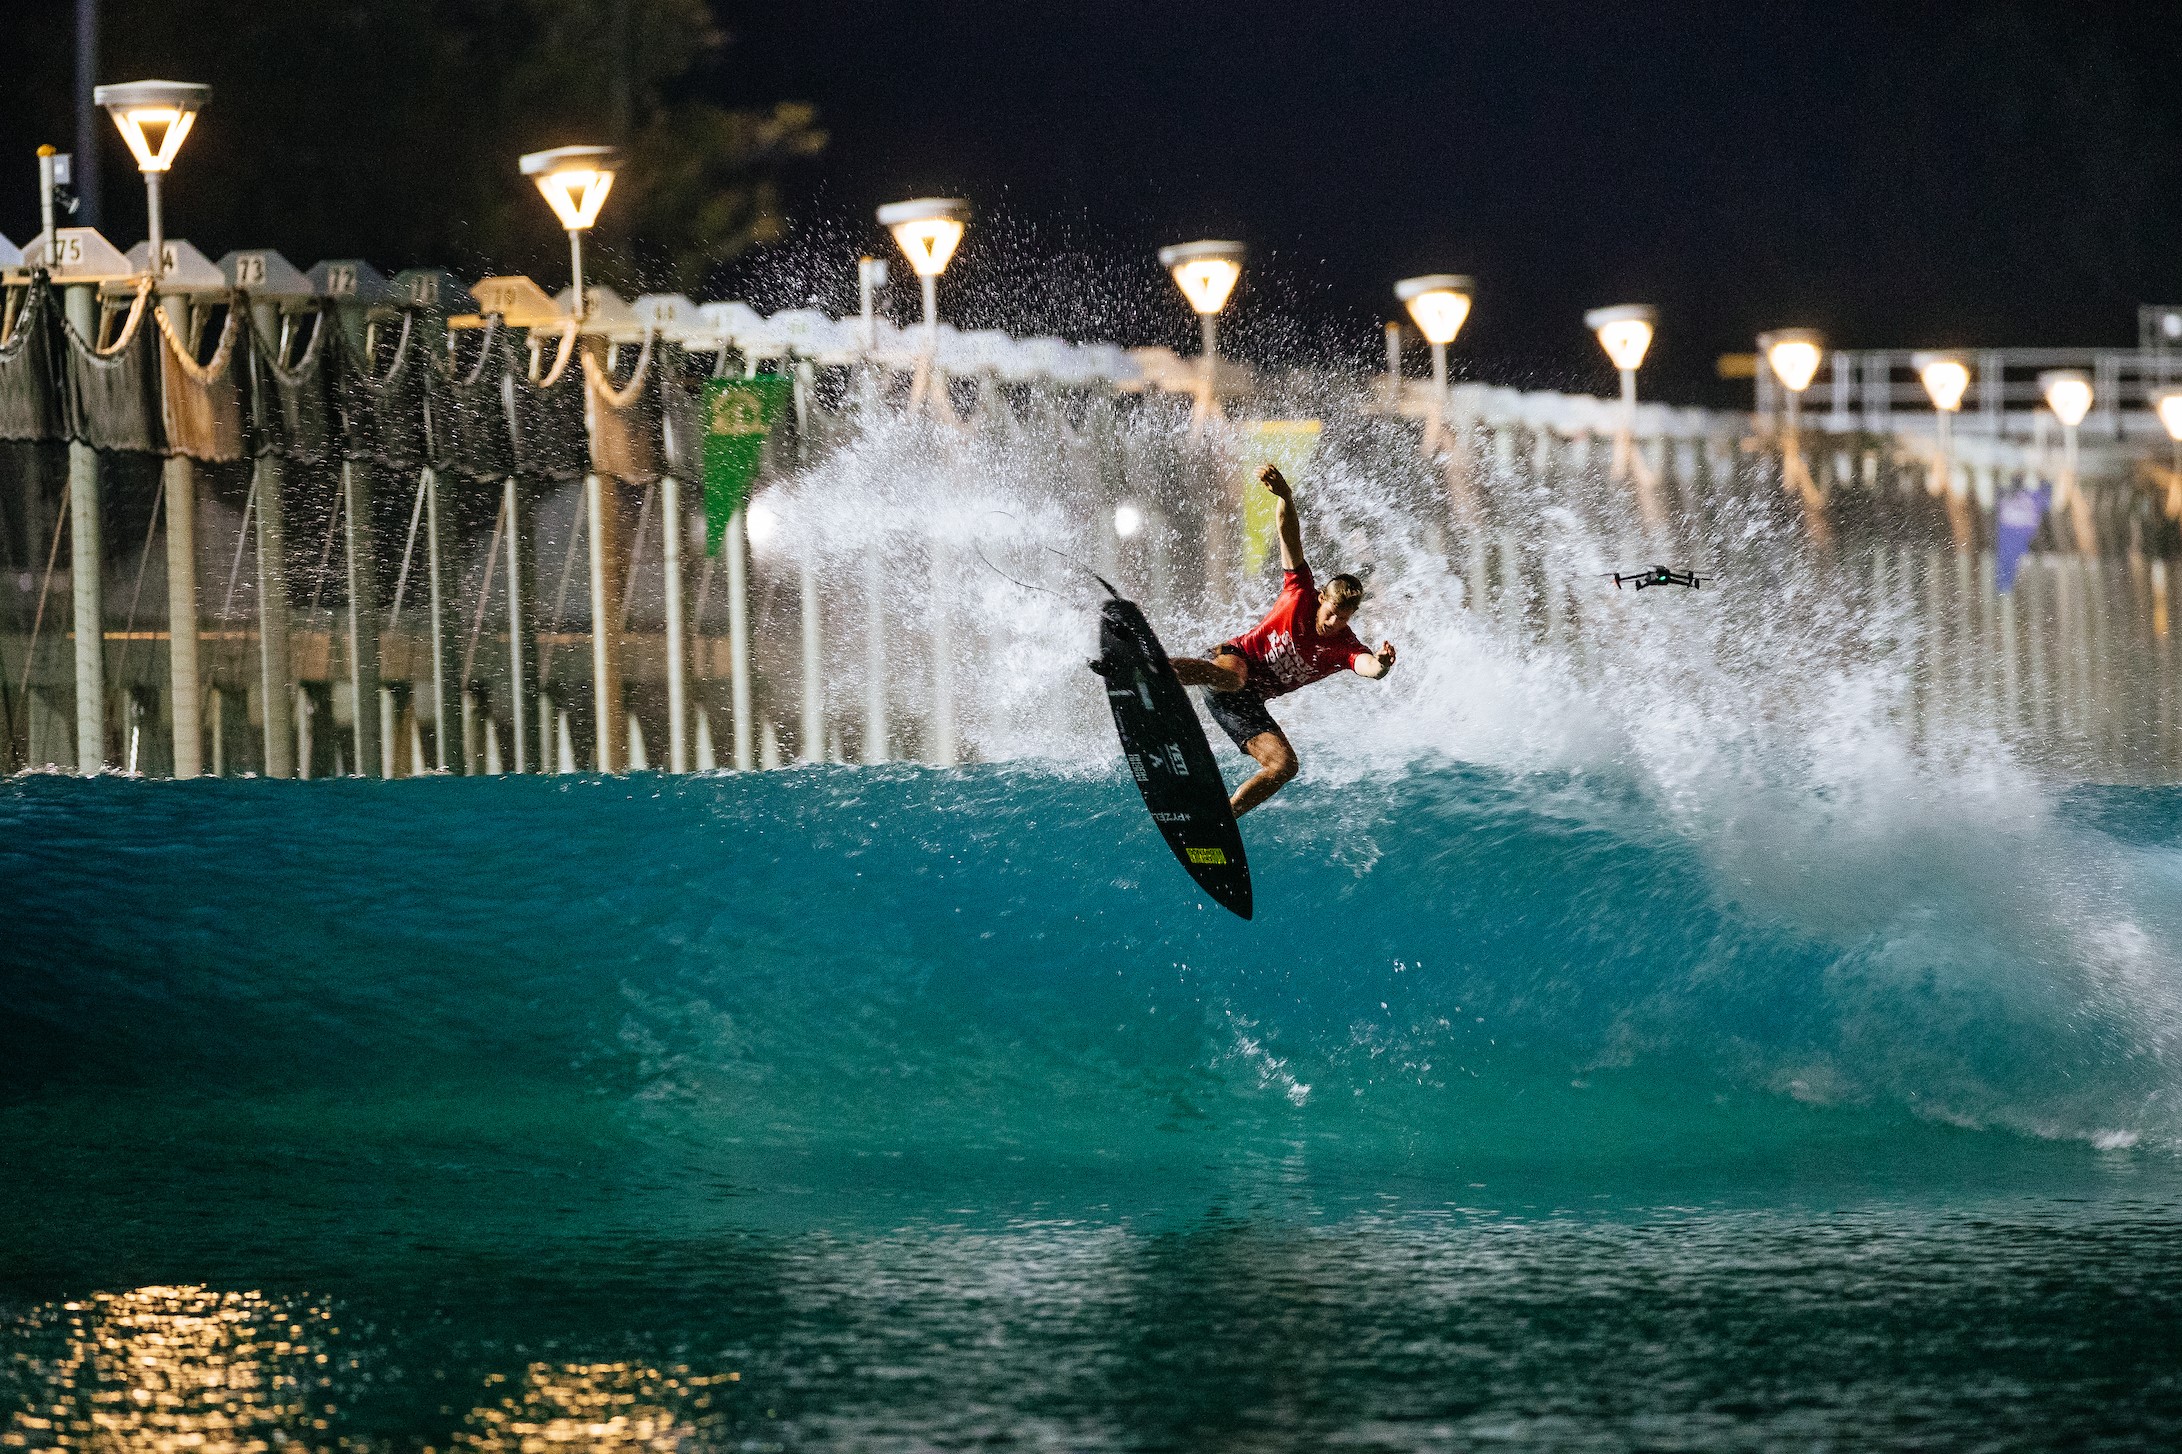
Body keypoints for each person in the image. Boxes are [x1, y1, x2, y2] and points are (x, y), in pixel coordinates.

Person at [1172, 464, 1397, 817]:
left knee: (1285, 767)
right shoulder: (1300, 593)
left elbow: (1366, 665)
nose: (1336, 622)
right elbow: (1288, 535)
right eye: (1333, 612)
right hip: (1230, 661)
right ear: (1323, 598)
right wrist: (1286, 497)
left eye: (1345, 618)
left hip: (1244, 705)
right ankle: (1157, 669)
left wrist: (1381, 666)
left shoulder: (1345, 646)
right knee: (1234, 677)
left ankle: (1220, 818)